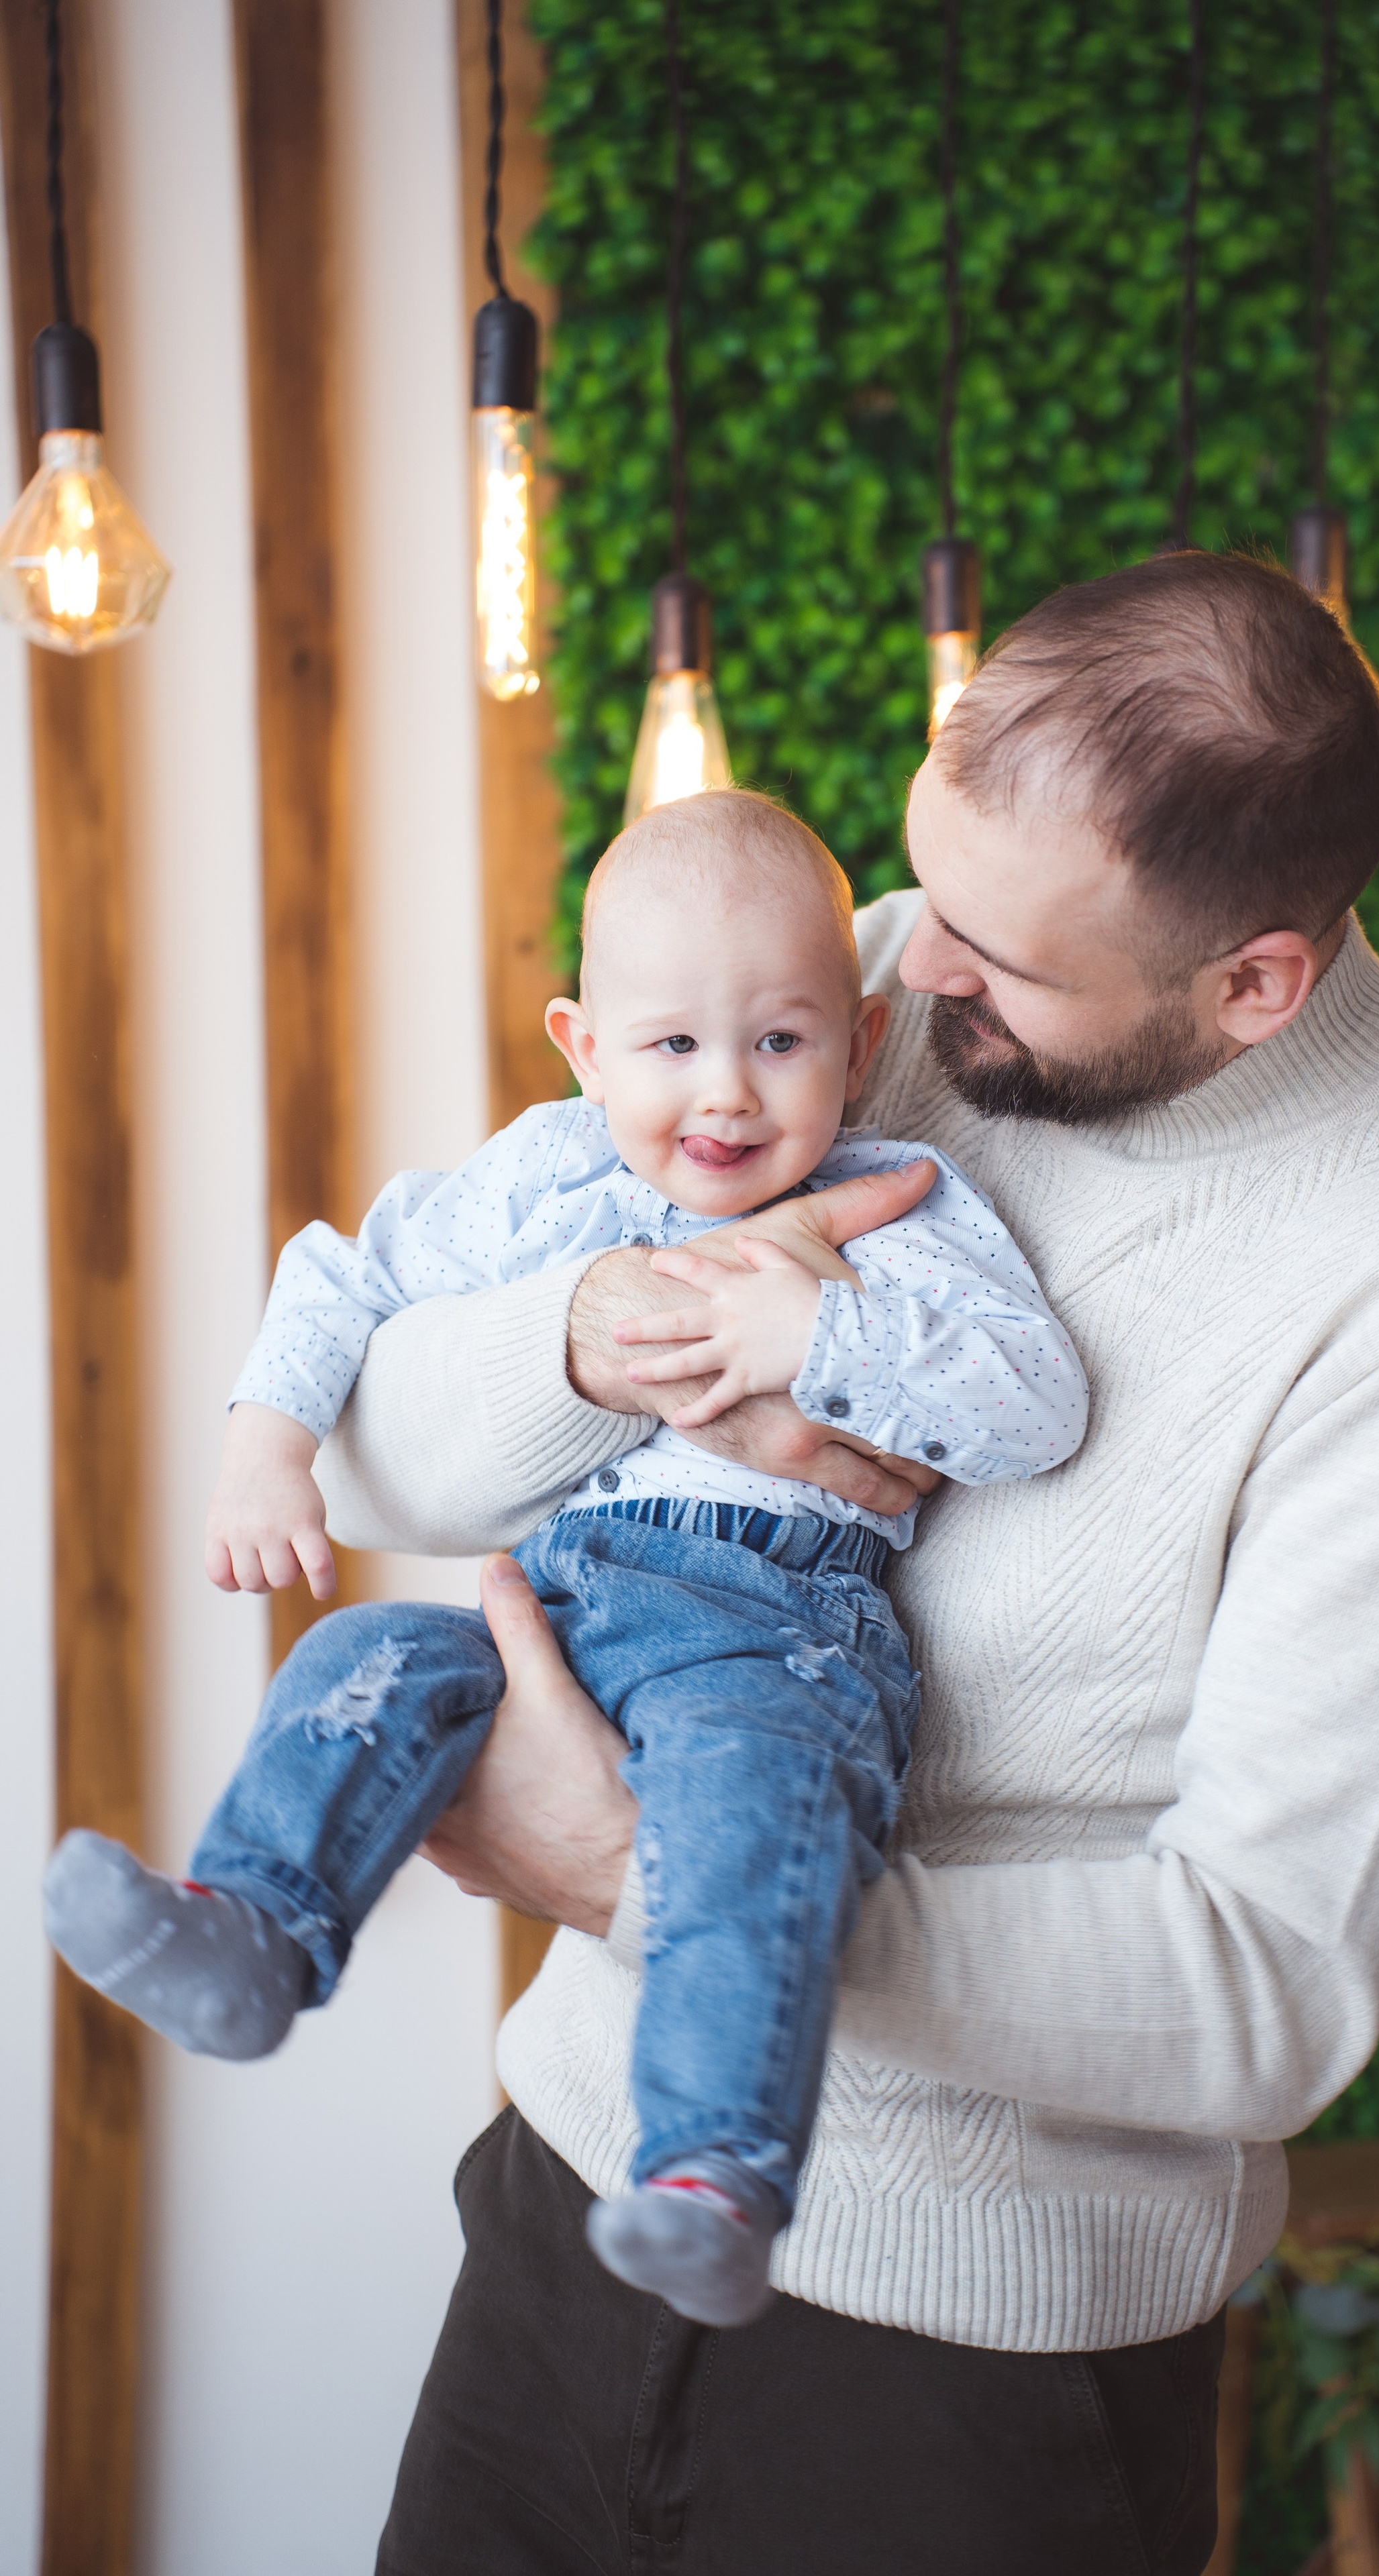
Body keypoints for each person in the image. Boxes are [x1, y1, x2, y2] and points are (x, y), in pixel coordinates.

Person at [329, 551, 1379, 2573]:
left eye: (995, 957)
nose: (911, 975)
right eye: (920, 893)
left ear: (1253, 982)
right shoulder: (878, 988)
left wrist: (662, 1898)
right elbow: (379, 1447)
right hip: (566, 2219)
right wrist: (595, 1333)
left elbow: (1264, 1987)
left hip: (963, 2385)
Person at [41, 791, 1086, 2330]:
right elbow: (347, 1276)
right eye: (668, 1046)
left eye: (780, 1043)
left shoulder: (908, 1214)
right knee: (358, 1660)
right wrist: (262, 1443)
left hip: (778, 1628)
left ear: (860, 1048)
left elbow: (1038, 1404)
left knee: (753, 1815)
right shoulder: (543, 1179)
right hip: (572, 1591)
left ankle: (713, 2171)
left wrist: (822, 1328)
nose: (723, 1093)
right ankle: (259, 1926)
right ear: (581, 1043)